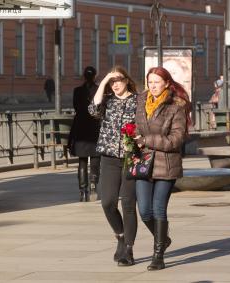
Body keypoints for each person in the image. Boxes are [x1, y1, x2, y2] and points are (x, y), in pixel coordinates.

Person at [134, 66, 191, 271]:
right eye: (150, 82)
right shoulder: (141, 102)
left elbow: (176, 140)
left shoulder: (176, 107)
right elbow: (135, 126)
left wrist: (146, 140)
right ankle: (163, 238)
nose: (153, 86)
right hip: (143, 163)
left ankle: (158, 255)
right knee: (144, 211)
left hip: (166, 165)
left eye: (157, 82)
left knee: (158, 209)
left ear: (167, 83)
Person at [88, 66, 138, 266]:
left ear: (127, 80)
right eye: (112, 81)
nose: (115, 84)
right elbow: (92, 109)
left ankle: (128, 250)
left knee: (128, 204)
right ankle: (120, 236)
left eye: (118, 80)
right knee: (107, 202)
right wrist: (103, 82)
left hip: (130, 158)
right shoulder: (107, 101)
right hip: (109, 158)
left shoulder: (138, 100)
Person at [68, 66, 101, 202]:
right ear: (95, 76)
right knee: (95, 159)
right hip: (94, 126)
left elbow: (76, 107)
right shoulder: (99, 90)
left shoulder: (77, 91)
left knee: (82, 160)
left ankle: (83, 191)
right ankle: (93, 186)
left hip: (80, 127)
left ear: (83, 76)